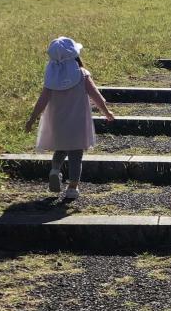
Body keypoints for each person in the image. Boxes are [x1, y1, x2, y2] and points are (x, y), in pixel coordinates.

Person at [25, 36, 115, 201]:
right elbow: (97, 96)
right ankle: (72, 188)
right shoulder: (82, 75)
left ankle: (54, 170)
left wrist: (32, 119)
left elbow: (41, 102)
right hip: (78, 122)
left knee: (61, 148)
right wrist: (106, 112)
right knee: (76, 155)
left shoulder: (51, 79)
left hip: (57, 122)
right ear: (75, 56)